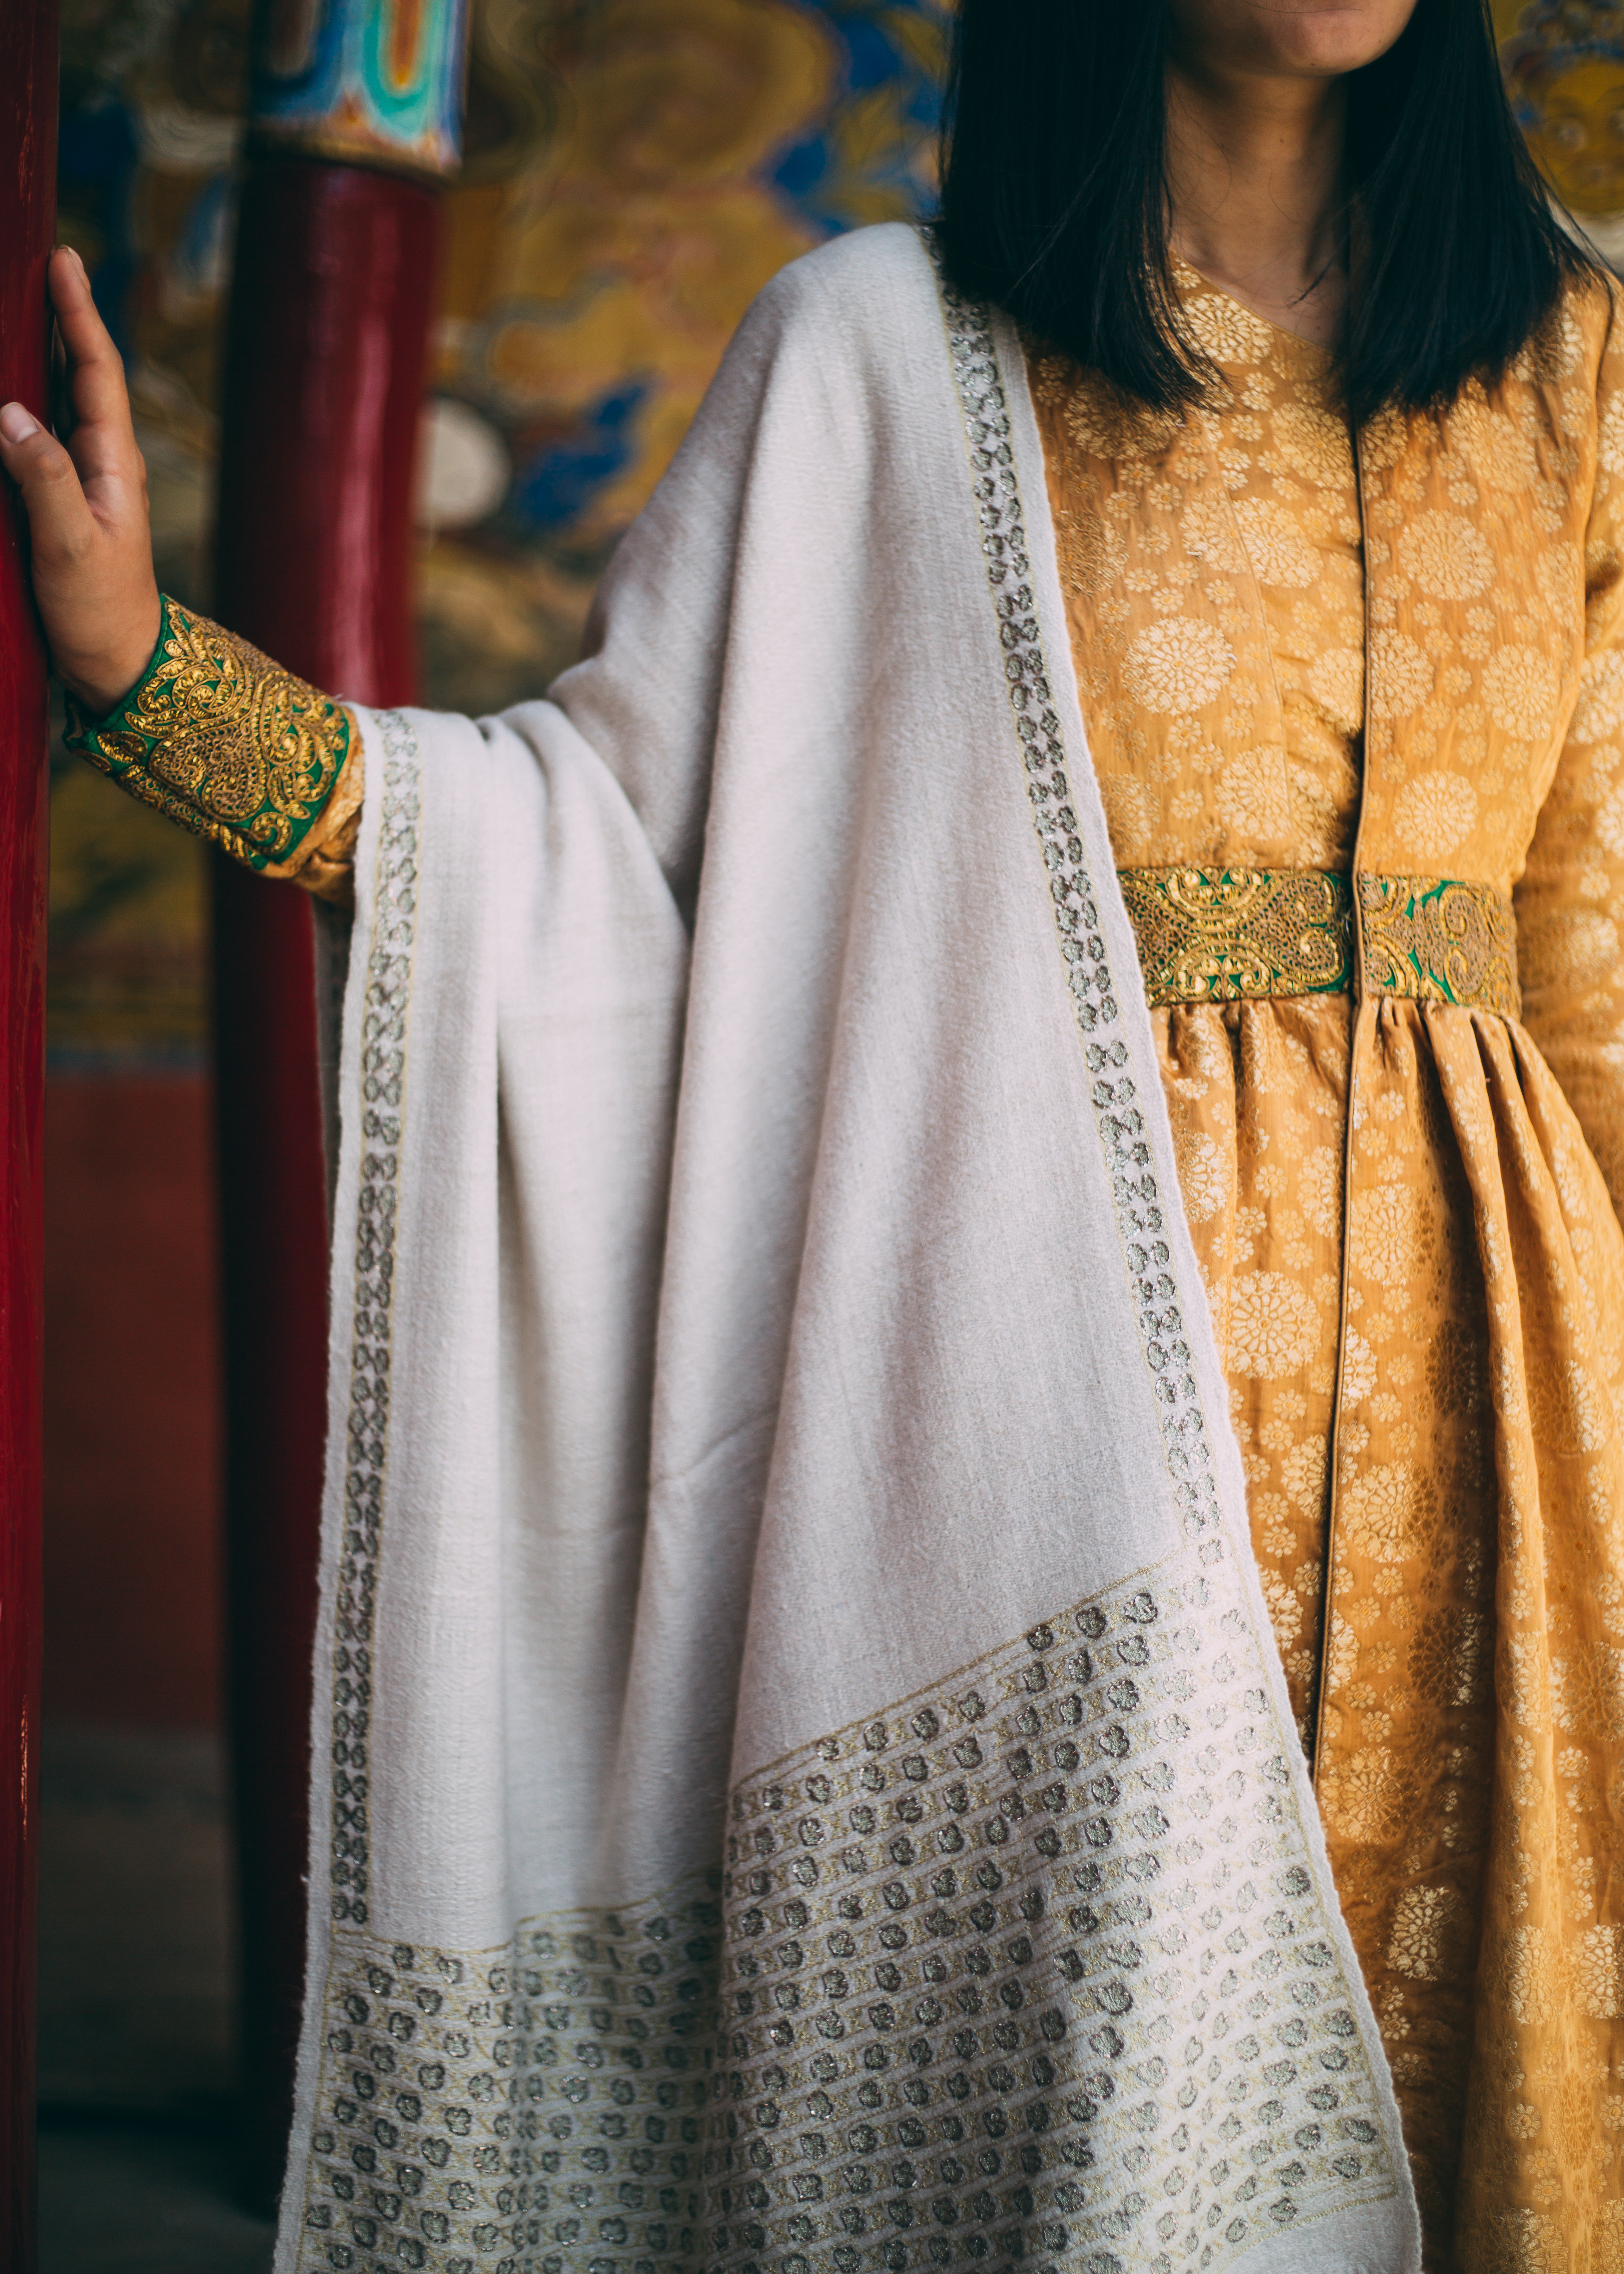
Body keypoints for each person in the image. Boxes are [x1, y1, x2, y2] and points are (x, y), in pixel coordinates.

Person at [6, 0, 1623, 2262]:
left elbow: (1594, 971)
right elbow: (603, 845)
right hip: (1045, 1405)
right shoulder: (887, 350)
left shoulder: (1578, 360)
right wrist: (142, 672)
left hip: (1508, 1413)